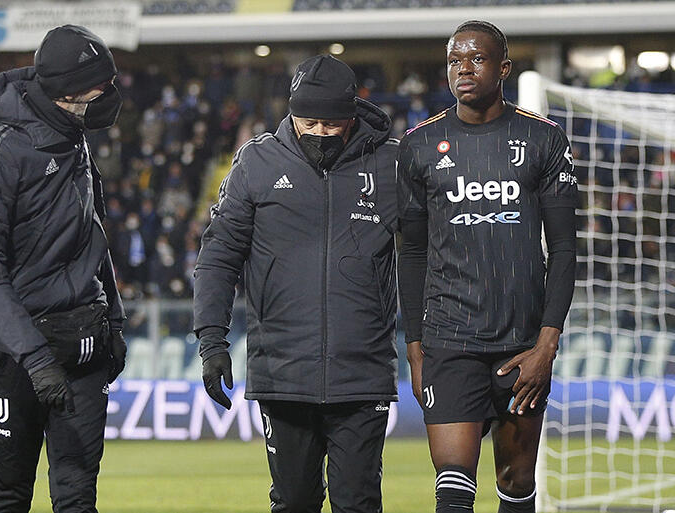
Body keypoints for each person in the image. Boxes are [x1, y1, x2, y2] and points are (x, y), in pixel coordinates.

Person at [193, 55, 399, 513]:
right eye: (309, 123)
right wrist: (211, 341)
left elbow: (428, 252)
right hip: (282, 371)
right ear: (291, 113)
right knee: (295, 501)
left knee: (359, 503)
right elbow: (218, 256)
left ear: (352, 115)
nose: (320, 132)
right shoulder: (257, 162)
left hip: (362, 373)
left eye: (332, 123)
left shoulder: (390, 163)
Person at [397, 20, 578, 513]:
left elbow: (564, 249)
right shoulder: (419, 145)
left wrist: (546, 345)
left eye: (476, 59)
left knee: (516, 484)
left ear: (503, 69)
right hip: (449, 341)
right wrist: (414, 347)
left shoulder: (543, 139)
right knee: (453, 487)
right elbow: (410, 252)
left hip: (522, 344)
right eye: (454, 60)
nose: (463, 69)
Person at [0, 25, 127, 513]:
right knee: (9, 498)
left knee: (78, 497)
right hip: (13, 357)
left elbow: (92, 235)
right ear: (68, 92)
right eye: (102, 87)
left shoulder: (76, 139)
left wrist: (114, 322)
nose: (111, 95)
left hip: (83, 343)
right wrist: (36, 359)